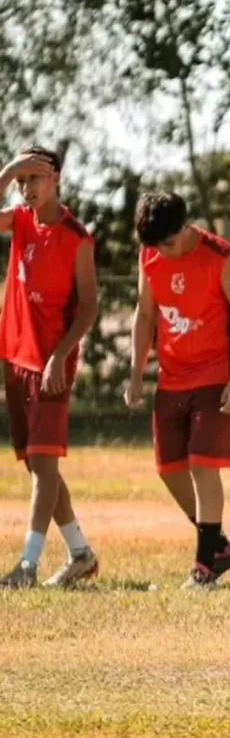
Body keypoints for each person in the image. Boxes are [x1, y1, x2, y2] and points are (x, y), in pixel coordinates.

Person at [124, 192, 230, 589]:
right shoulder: (150, 256)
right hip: (171, 377)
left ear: (184, 228)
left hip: (215, 377)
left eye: (167, 243)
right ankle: (218, 545)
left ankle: (203, 568)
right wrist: (135, 374)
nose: (161, 253)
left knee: (202, 465)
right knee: (169, 470)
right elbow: (145, 314)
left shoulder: (222, 257)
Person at [0, 146, 100, 588]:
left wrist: (60, 356)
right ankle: (80, 553)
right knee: (39, 467)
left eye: (33, 179)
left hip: (51, 363)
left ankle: (27, 565)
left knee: (43, 465)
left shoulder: (77, 236)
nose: (26, 188)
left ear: (55, 179)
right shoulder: (20, 220)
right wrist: (7, 172)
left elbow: (90, 306)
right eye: (22, 181)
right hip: (16, 356)